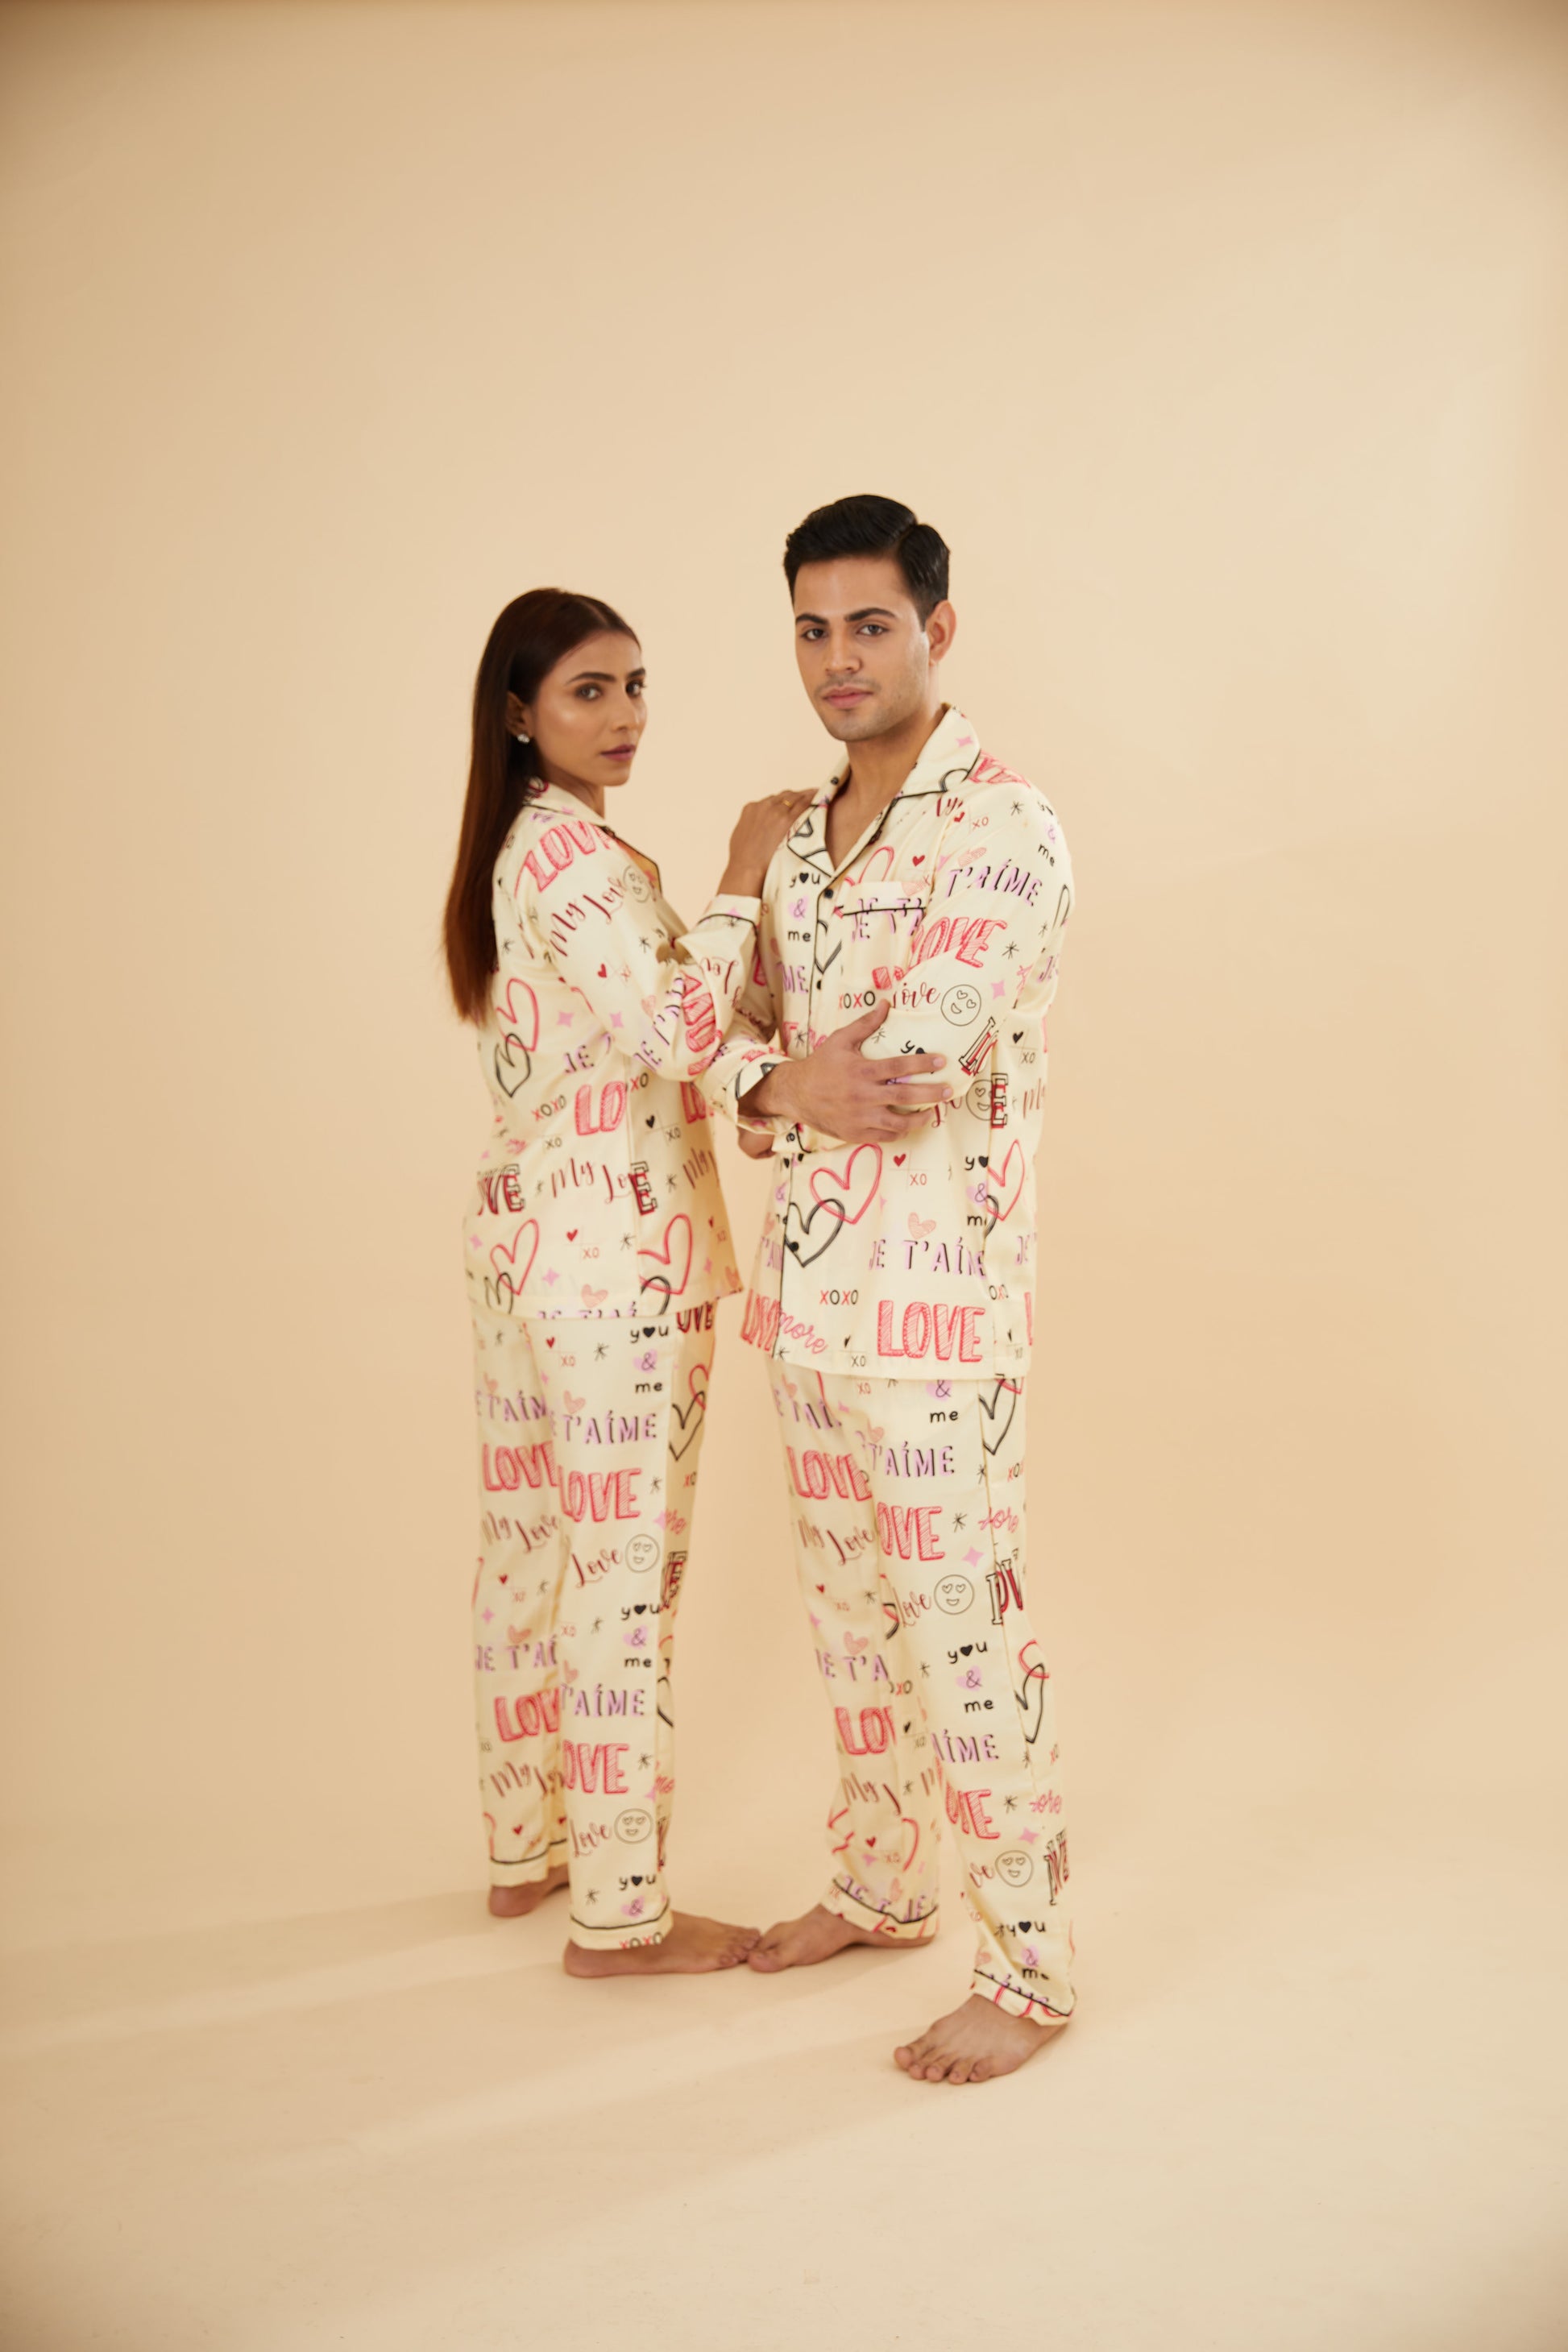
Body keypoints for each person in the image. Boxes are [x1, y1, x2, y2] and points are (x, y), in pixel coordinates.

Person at [700, 496, 1077, 2077]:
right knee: (853, 1627)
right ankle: (879, 1882)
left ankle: (1031, 1971)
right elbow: (709, 1041)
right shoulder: (790, 842)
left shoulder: (1004, 828)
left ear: (936, 629)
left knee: (962, 1639)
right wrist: (773, 1065)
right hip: (808, 1303)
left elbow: (899, 1072)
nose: (836, 658)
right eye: (811, 628)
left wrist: (769, 1080)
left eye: (868, 625)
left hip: (938, 1316)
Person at [442, 587, 808, 1975]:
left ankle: (524, 1852)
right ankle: (619, 1915)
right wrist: (739, 875)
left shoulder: (530, 849)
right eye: (589, 691)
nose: (625, 716)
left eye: (635, 685)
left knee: (531, 1555)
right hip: (612, 1267)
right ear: (519, 713)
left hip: (531, 1245)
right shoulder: (569, 858)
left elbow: (645, 1032)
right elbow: (671, 1030)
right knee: (618, 1579)